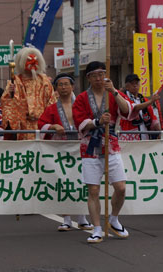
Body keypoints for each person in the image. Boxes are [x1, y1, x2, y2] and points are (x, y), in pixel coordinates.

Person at [72, 61, 135, 243]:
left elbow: (127, 111)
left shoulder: (112, 93)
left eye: (102, 74)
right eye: (95, 75)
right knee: (93, 189)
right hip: (90, 147)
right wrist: (98, 121)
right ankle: (97, 228)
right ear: (89, 78)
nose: (99, 78)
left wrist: (115, 92)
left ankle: (114, 219)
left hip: (111, 145)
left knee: (121, 187)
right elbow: (80, 122)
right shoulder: (83, 98)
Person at [38, 73, 93, 232]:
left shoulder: (82, 106)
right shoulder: (52, 108)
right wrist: (53, 127)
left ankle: (82, 217)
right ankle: (67, 218)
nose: (63, 87)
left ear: (72, 86)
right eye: (60, 85)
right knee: (63, 182)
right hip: (61, 148)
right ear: (56, 88)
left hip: (80, 145)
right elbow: (41, 124)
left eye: (66, 84)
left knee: (83, 181)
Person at [1, 47, 56, 140]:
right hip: (23, 126)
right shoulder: (15, 81)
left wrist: (47, 121)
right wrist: (11, 94)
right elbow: (7, 103)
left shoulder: (44, 81)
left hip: (42, 125)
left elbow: (52, 102)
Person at [119, 74, 160, 141]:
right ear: (127, 86)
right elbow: (134, 108)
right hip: (129, 135)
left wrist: (159, 132)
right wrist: (151, 101)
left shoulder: (144, 100)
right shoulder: (123, 98)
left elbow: (152, 118)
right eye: (132, 83)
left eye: (137, 83)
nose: (135, 85)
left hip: (145, 134)